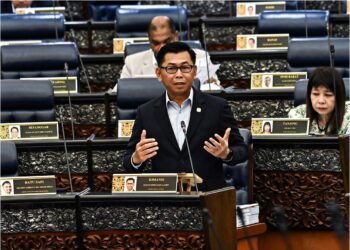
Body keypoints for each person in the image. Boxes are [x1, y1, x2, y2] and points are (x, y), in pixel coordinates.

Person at [123, 42, 247, 191]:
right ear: (158, 74)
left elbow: (242, 150)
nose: (179, 74)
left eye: (185, 67)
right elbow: (128, 163)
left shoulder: (217, 107)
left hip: (209, 198)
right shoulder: (146, 112)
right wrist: (137, 158)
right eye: (171, 68)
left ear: (194, 71)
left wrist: (227, 153)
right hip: (166, 200)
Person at [114, 16, 220, 91]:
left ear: (176, 36)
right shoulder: (132, 62)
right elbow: (118, 94)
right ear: (149, 40)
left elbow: (214, 89)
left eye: (166, 41)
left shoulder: (200, 57)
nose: (162, 47)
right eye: (156, 43)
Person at [289, 67, 350, 135]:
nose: (321, 101)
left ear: (339, 97)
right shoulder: (298, 114)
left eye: (328, 95)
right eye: (315, 94)